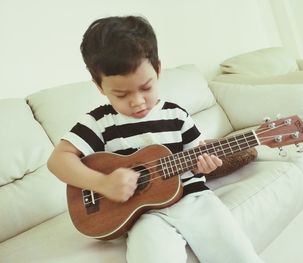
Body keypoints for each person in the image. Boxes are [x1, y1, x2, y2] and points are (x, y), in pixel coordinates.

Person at [47, 15, 263, 263]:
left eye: (146, 88)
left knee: (238, 255)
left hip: (194, 200)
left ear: (158, 69)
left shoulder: (177, 115)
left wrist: (207, 163)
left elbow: (198, 157)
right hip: (145, 216)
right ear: (99, 86)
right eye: (121, 94)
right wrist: (102, 183)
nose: (137, 101)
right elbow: (58, 161)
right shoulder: (99, 122)